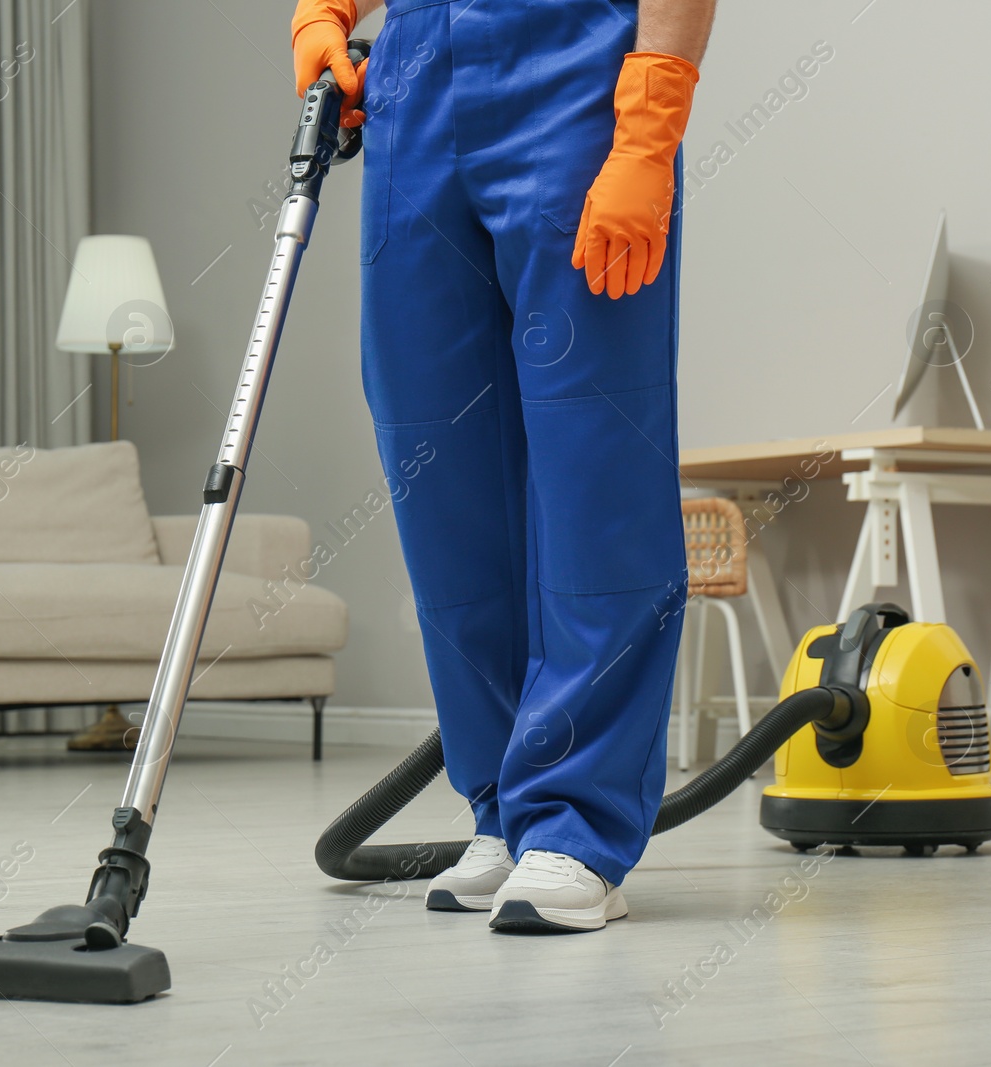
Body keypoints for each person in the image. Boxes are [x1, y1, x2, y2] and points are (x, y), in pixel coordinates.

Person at [292, 0, 717, 932]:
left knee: (592, 452)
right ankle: (502, 803)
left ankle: (576, 820)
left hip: (573, 74)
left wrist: (650, 124)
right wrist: (326, 12)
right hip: (416, 81)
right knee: (435, 450)